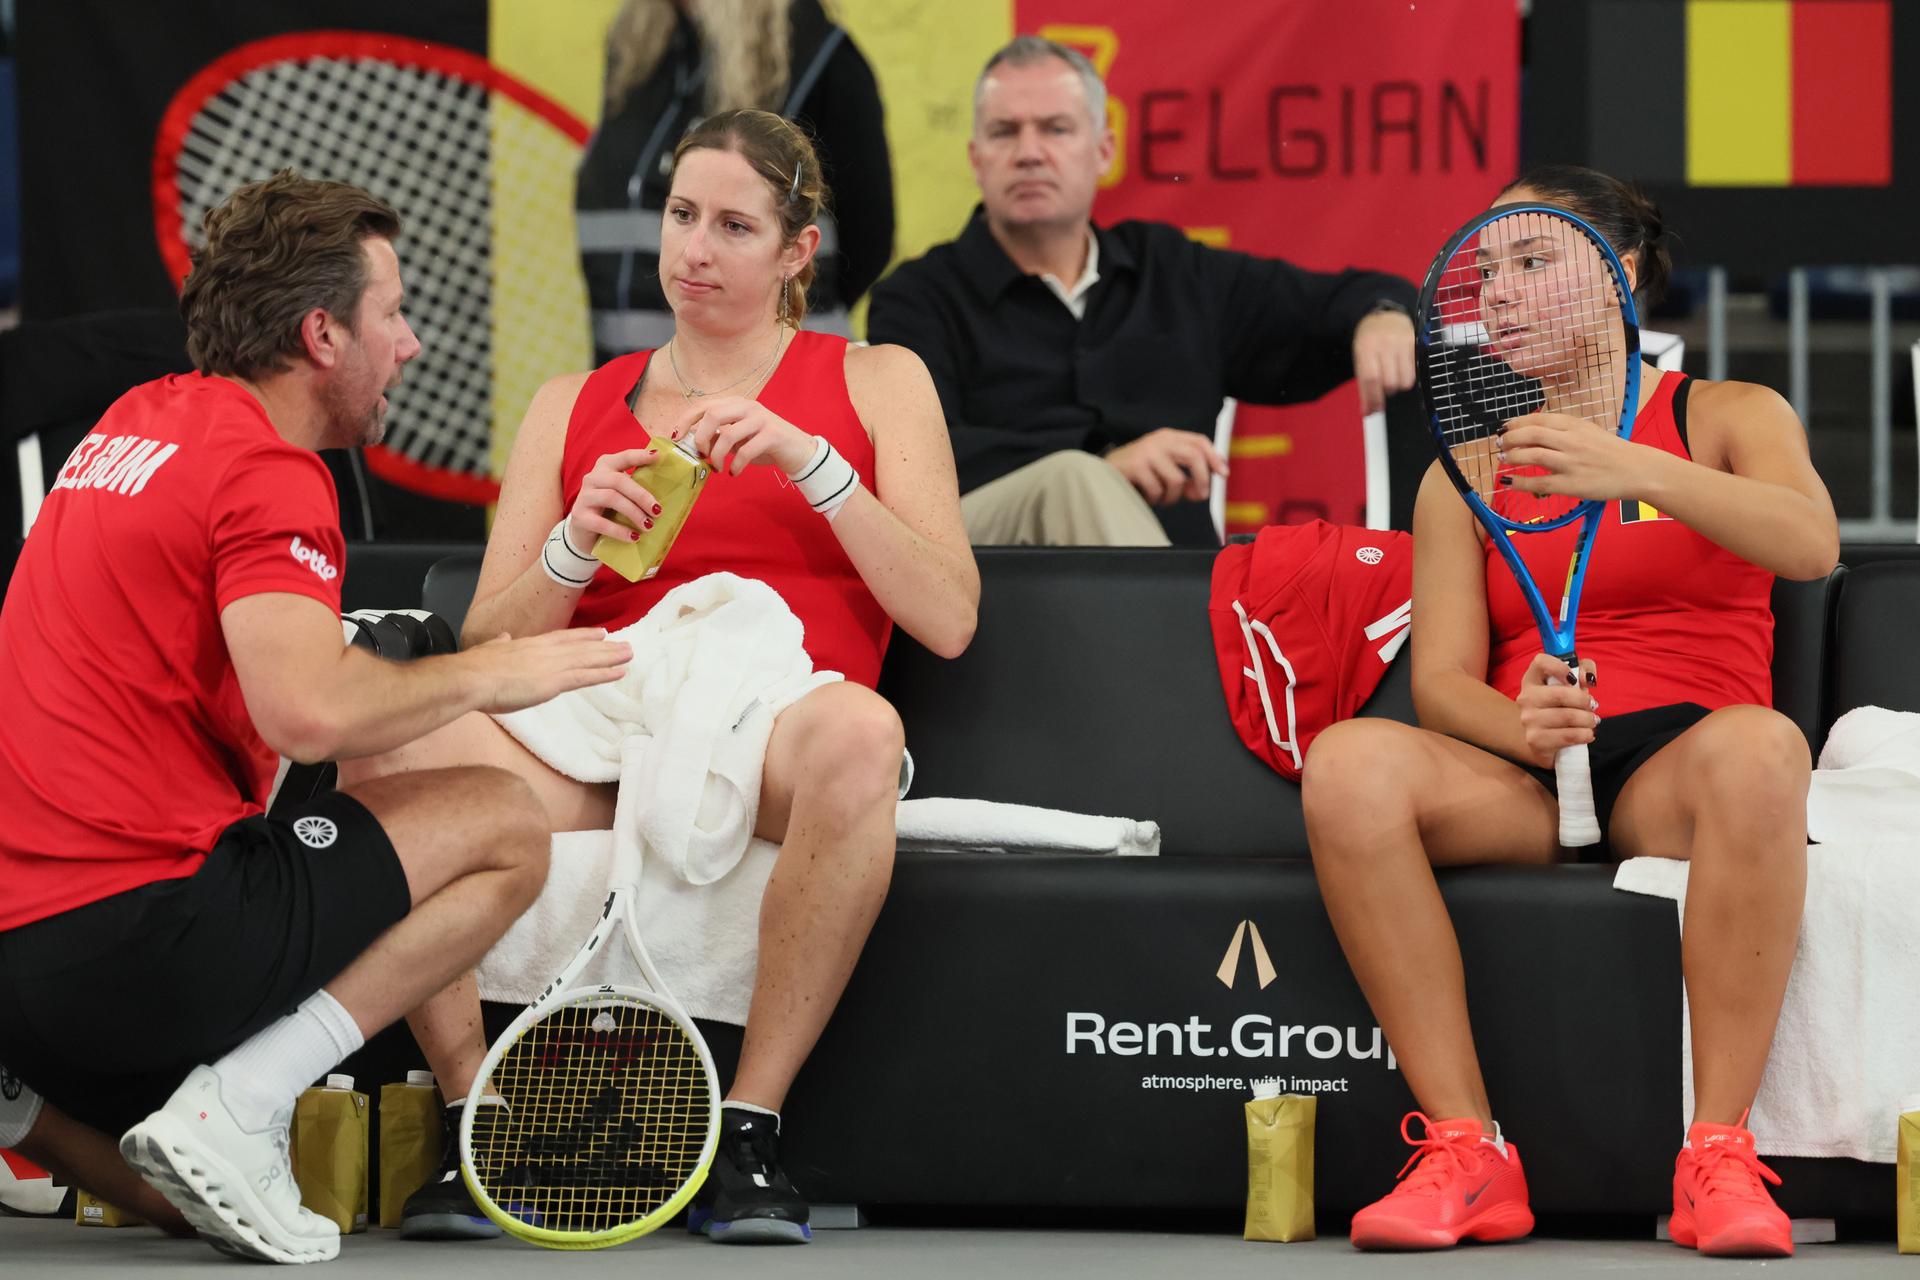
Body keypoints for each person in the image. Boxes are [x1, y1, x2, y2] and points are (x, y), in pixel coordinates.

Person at [347, 108, 976, 1245]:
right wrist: (571, 544)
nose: (692, 248)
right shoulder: (568, 401)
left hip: (772, 718)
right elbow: (486, 643)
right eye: (683, 214)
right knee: (381, 734)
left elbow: (948, 616)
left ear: (797, 251)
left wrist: (816, 465)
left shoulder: (878, 378)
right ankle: (473, 1115)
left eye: (734, 225)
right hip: (596, 713)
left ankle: (749, 1129)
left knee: (862, 735)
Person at [0, 171, 632, 1264]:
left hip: (20, 965)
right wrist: (500, 669)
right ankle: (242, 1098)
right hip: (135, 941)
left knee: (184, 1197)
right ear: (322, 332)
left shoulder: (133, 419)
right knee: (499, 817)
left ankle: (21, 1111)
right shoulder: (272, 470)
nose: (413, 344)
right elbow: (308, 712)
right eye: (394, 313)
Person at [1300, 166, 1839, 1257]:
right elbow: (1445, 679)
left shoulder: (1730, 412)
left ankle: (1718, 1156)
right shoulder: (1467, 467)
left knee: (1766, 750)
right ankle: (1467, 1149)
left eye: (1532, 261)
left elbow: (1811, 544)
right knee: (1350, 763)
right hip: (1531, 766)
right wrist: (1523, 727)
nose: (1497, 291)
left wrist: (1629, 463)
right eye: (1484, 270)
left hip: (1681, 761)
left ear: (1617, 278)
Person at [865, 34, 1419, 548]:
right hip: (996, 584)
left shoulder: (1172, 269)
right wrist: (1105, 462)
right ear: (976, 159)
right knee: (1072, 481)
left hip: (1168, 578)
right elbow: (918, 459)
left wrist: (1384, 312)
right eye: (1006, 132)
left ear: (1103, 151)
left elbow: (1326, 305)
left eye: (1056, 129)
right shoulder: (917, 297)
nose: (1029, 152)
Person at [578, 0, 894, 361]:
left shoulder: (818, 57)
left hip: (773, 389)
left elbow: (867, 239)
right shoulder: (637, 49)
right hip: (635, 384)